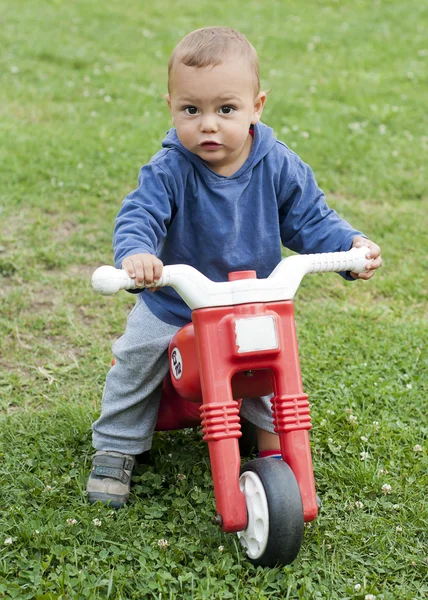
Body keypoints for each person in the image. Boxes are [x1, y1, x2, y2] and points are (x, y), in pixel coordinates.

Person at [86, 27, 382, 507]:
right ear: (171, 107)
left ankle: (273, 448)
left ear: (256, 107)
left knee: (271, 367)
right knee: (137, 358)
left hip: (251, 305)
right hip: (174, 304)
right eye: (191, 110)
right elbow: (139, 215)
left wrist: (349, 247)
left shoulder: (278, 165)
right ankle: (117, 446)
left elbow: (310, 218)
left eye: (225, 109)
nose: (208, 125)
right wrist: (139, 254)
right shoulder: (169, 170)